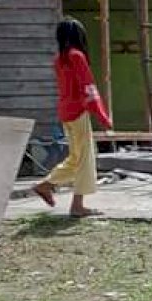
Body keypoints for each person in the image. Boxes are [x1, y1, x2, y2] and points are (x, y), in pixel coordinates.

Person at [31, 18, 113, 218]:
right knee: (85, 158)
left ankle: (45, 185)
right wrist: (103, 116)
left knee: (76, 157)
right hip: (78, 112)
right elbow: (89, 88)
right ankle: (78, 205)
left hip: (65, 111)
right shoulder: (77, 56)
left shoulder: (59, 60)